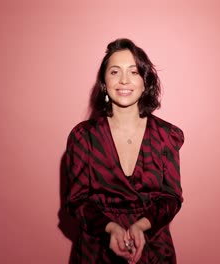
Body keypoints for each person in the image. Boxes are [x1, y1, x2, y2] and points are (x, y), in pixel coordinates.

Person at [63, 38, 184, 263]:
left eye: (134, 72)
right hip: (96, 251)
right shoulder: (83, 136)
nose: (124, 80)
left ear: (145, 80)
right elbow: (76, 201)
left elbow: (171, 198)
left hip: (153, 250)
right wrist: (111, 228)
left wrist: (141, 226)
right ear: (104, 81)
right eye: (115, 72)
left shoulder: (167, 136)